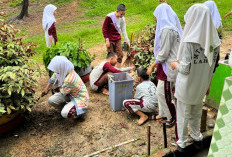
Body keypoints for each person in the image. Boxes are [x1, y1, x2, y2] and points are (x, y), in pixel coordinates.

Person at [170, 4, 221, 152]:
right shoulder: (214, 42)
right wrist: (208, 84)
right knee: (196, 113)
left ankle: (182, 144)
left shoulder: (189, 42)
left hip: (186, 86)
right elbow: (212, 67)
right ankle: (197, 138)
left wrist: (174, 65)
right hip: (201, 85)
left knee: (183, 115)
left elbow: (185, 68)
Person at [147, 3, 182, 128]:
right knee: (160, 91)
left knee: (165, 92)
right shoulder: (172, 28)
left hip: (168, 65)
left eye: (157, 16)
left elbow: (164, 52)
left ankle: (171, 116)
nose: (156, 18)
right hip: (166, 64)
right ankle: (163, 113)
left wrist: (152, 65)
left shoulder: (167, 29)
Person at [102, 4, 130, 68]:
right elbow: (104, 29)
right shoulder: (109, 17)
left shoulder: (122, 18)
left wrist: (128, 41)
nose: (122, 16)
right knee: (111, 56)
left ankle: (118, 70)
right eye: (121, 14)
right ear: (117, 11)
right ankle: (110, 70)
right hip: (110, 39)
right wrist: (107, 39)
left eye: (124, 14)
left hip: (117, 39)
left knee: (120, 55)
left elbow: (123, 30)